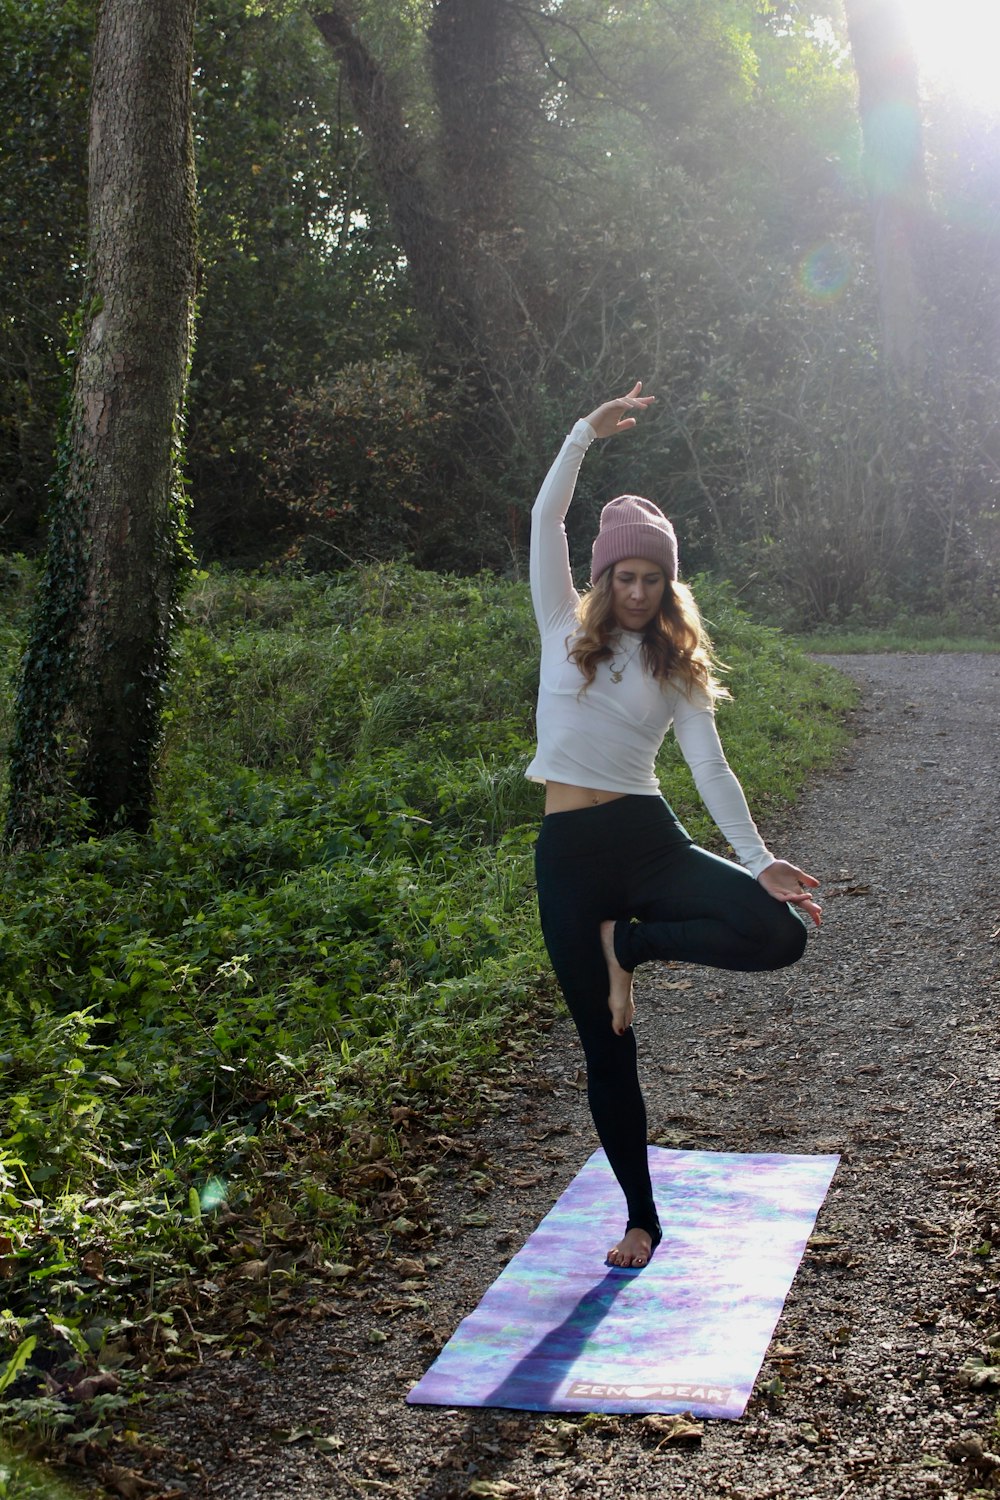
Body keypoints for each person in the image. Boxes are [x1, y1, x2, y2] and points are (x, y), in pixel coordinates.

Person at [527, 382, 821, 1271]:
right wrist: (583, 433)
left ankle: (636, 948)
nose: (639, 590)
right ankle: (640, 1220)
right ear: (605, 576)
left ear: (668, 585)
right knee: (606, 1046)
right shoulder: (555, 624)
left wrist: (759, 860)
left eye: (654, 578)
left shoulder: (679, 668)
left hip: (649, 844)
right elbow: (546, 521)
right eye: (626, 575)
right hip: (571, 861)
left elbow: (709, 768)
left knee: (779, 933)